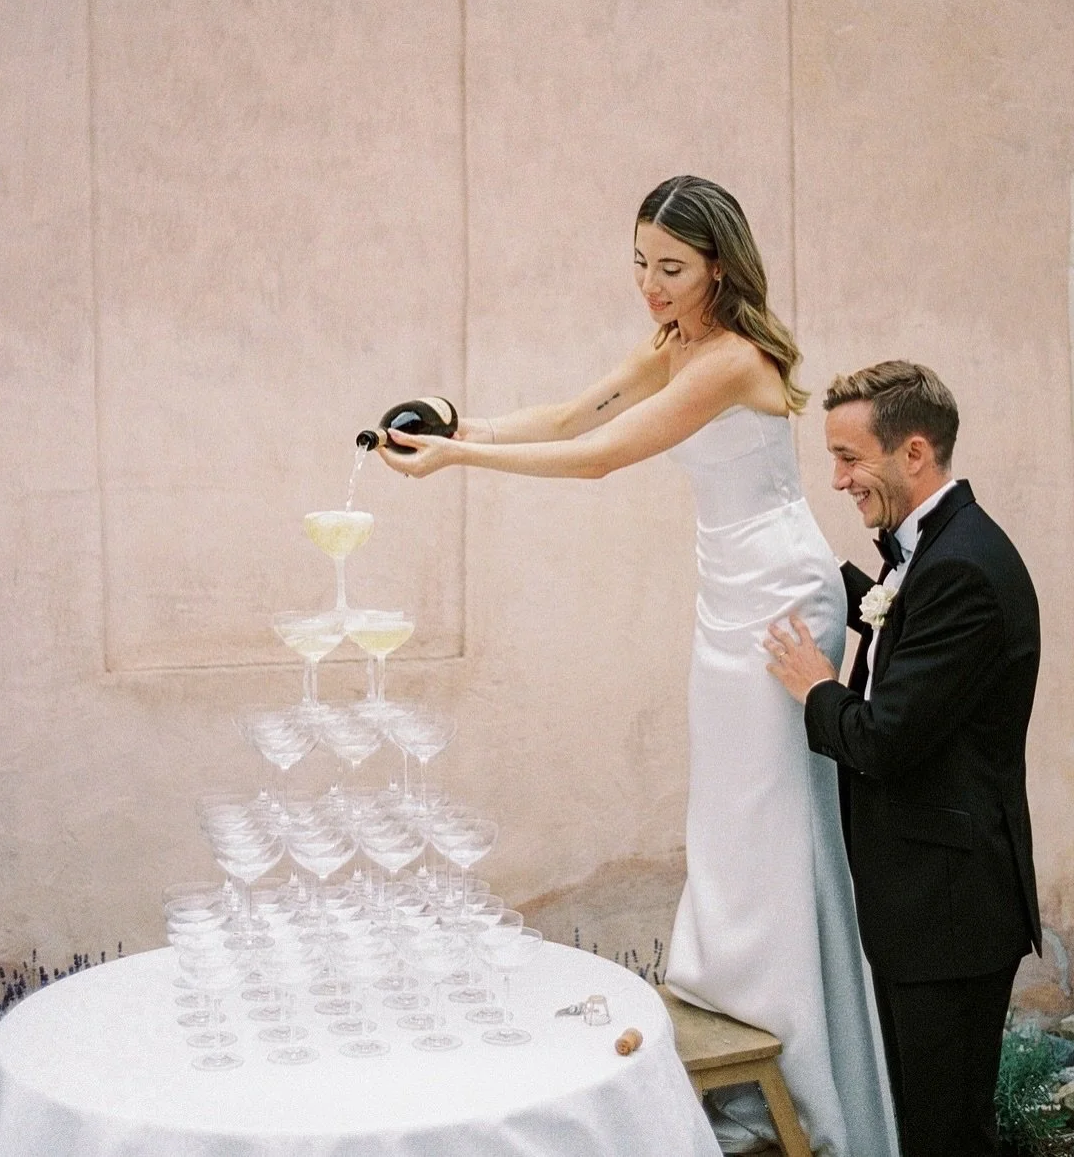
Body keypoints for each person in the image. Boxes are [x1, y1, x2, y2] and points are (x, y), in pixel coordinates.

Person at [374, 176, 896, 1156]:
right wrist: (456, 428)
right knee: (731, 820)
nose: (651, 286)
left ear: (718, 266)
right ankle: (746, 1056)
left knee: (772, 823)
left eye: (672, 268)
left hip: (779, 606)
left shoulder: (731, 360)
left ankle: (806, 1085)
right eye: (641, 264)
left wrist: (457, 469)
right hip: (727, 600)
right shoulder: (676, 346)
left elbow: (600, 460)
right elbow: (576, 417)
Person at [766, 360, 1041, 1157]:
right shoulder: (930, 548)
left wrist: (817, 688)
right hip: (922, 907)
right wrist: (822, 584)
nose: (840, 479)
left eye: (850, 458)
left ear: (913, 454)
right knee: (924, 1123)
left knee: (945, 1133)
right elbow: (901, 628)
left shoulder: (963, 568)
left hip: (951, 913)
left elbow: (884, 739)